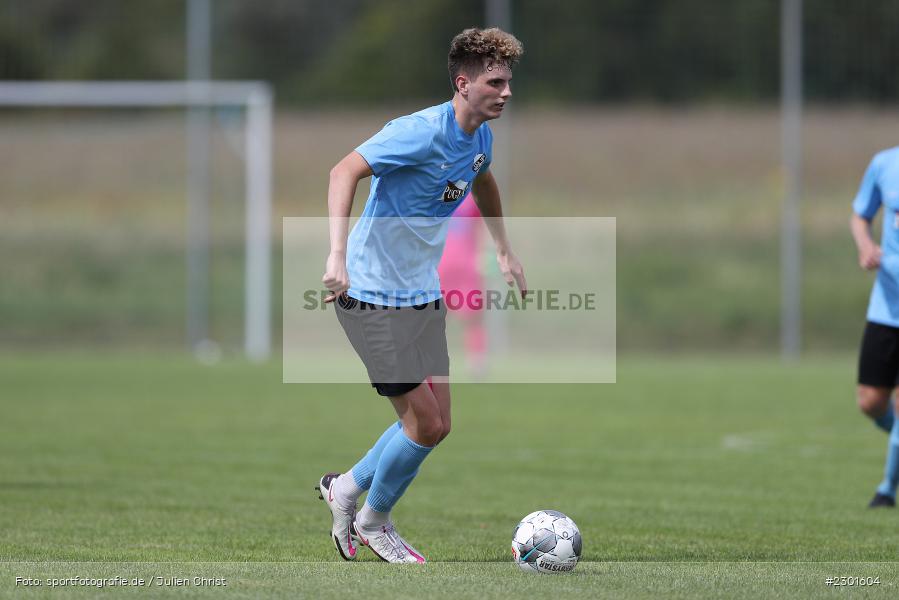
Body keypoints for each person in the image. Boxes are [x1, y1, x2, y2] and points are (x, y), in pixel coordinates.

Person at [315, 27, 527, 562]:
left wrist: (503, 249)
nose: (505, 92)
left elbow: (483, 180)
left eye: (508, 82)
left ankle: (344, 489)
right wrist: (336, 254)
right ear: (463, 82)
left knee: (438, 426)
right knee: (423, 423)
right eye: (495, 82)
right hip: (369, 294)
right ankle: (373, 519)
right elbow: (344, 171)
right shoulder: (418, 132)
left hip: (419, 294)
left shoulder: (479, 138)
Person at [850, 146, 899, 508]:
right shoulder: (884, 163)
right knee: (870, 401)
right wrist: (865, 245)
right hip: (885, 306)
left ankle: (885, 490)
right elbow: (859, 215)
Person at [438, 192, 488, 379]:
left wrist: (484, 256)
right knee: (434, 317)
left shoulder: (473, 195)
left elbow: (482, 227)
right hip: (440, 265)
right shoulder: (434, 188)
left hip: (468, 266)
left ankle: (477, 364)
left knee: (473, 316)